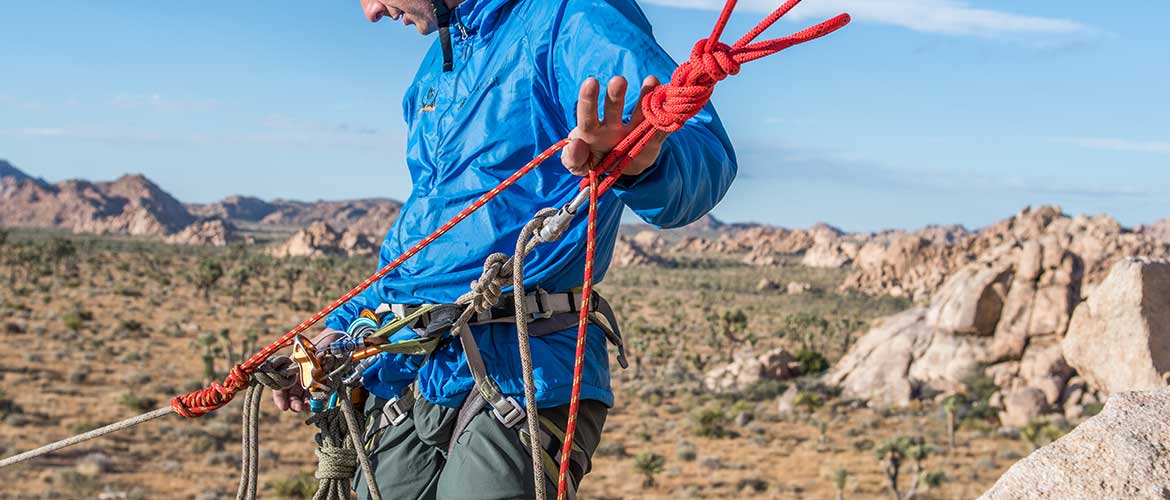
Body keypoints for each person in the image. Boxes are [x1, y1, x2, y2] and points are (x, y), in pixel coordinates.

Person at [272, 0, 737, 498]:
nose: (371, 12)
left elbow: (702, 152)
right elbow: (425, 238)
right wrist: (343, 334)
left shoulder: (572, 17)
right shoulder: (435, 71)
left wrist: (645, 163)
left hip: (528, 370)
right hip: (420, 374)